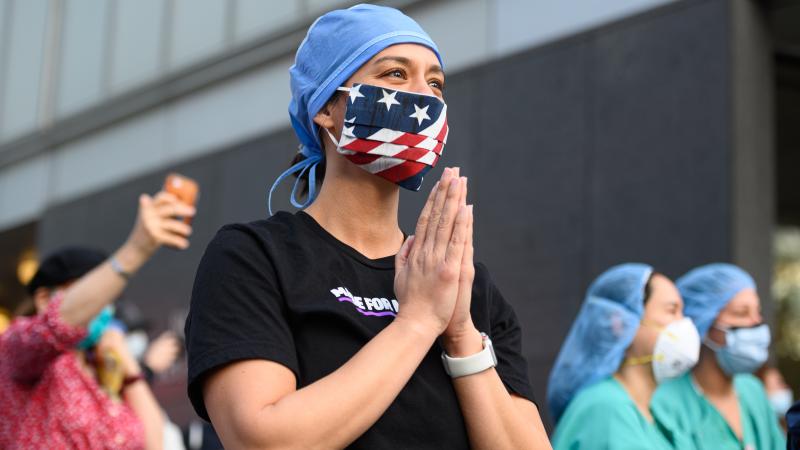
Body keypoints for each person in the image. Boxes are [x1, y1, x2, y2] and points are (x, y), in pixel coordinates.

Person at [184, 4, 550, 449]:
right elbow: (264, 440)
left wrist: (459, 334)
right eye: (396, 75)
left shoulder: (464, 285)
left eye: (435, 83)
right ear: (325, 108)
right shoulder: (255, 257)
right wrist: (417, 321)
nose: (425, 97)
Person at [0, 191, 195, 449]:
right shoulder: (18, 349)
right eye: (94, 293)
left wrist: (128, 367)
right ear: (45, 298)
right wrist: (136, 250)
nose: (104, 308)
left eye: (109, 298)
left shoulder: (104, 376)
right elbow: (59, 323)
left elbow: (153, 444)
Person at [548, 263, 700, 449]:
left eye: (682, 313)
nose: (684, 324)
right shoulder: (604, 409)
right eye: (671, 311)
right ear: (619, 323)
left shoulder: (653, 411)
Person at [651, 263, 786, 449]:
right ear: (704, 324)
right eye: (741, 313)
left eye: (758, 312)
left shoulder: (752, 391)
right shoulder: (667, 403)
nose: (756, 323)